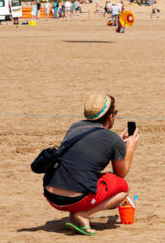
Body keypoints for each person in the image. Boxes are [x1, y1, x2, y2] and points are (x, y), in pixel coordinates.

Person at [43, 93, 139, 236]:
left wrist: (115, 143)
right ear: (111, 116)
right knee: (123, 188)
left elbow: (80, 157)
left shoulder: (74, 127)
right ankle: (84, 214)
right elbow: (121, 173)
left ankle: (73, 219)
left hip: (51, 196)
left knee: (78, 169)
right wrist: (129, 149)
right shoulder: (112, 140)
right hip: (75, 199)